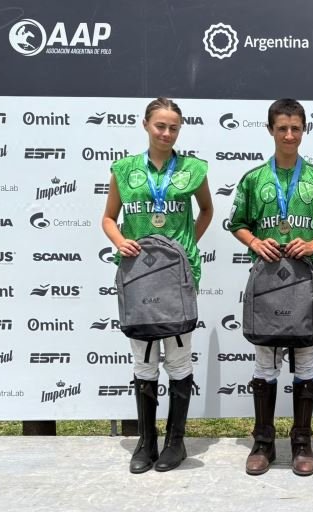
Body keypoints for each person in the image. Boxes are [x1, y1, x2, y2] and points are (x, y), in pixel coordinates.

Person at [228, 98, 313, 476]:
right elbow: (237, 222)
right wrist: (253, 241)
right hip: (266, 278)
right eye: (282, 128)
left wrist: (312, 245)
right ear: (270, 130)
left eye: (295, 128)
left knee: (305, 358)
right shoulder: (253, 179)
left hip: (304, 279)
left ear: (304, 130)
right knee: (265, 360)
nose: (289, 135)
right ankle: (263, 442)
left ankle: (302, 442)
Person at [101, 97, 214, 474]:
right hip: (138, 277)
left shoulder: (194, 169)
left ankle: (175, 442)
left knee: (178, 357)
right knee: (144, 359)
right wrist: (119, 241)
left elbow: (207, 210)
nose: (166, 133)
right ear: (146, 125)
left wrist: (185, 248)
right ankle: (146, 442)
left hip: (179, 278)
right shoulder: (124, 169)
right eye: (160, 126)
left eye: (173, 128)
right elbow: (108, 218)